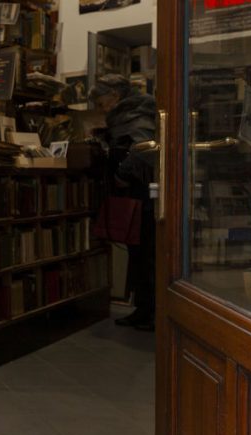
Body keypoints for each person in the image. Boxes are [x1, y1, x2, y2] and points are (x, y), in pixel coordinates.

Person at [91, 74, 158, 331]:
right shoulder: (132, 112)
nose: (101, 108)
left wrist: (122, 173)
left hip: (142, 198)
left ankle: (148, 312)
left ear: (115, 96)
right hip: (139, 198)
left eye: (101, 102)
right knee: (139, 256)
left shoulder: (134, 115)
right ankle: (144, 310)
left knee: (144, 257)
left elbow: (146, 149)